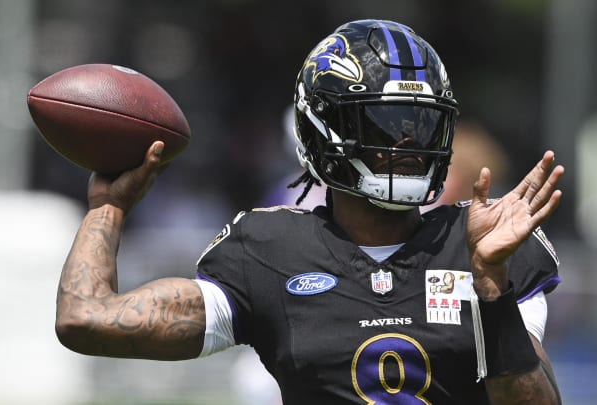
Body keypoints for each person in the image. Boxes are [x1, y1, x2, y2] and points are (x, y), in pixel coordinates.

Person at [55, 19, 564, 404]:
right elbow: (85, 319)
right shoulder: (269, 251)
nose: (409, 141)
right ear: (324, 132)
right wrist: (109, 206)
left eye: (422, 123)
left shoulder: (483, 247)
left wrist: (491, 290)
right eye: (386, 123)